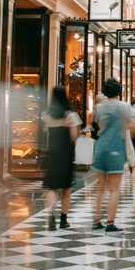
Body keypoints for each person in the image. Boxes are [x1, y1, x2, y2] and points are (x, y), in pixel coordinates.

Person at [91, 78, 135, 232]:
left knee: (100, 189)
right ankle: (110, 223)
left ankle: (96, 220)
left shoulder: (98, 108)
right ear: (119, 92)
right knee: (114, 190)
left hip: (100, 148)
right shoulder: (125, 107)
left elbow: (97, 124)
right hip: (116, 149)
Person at [42, 85, 81, 230]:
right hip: (66, 155)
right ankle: (63, 219)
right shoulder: (70, 116)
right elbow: (74, 136)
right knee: (66, 187)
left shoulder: (47, 115)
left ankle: (50, 216)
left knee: (52, 187)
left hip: (52, 154)